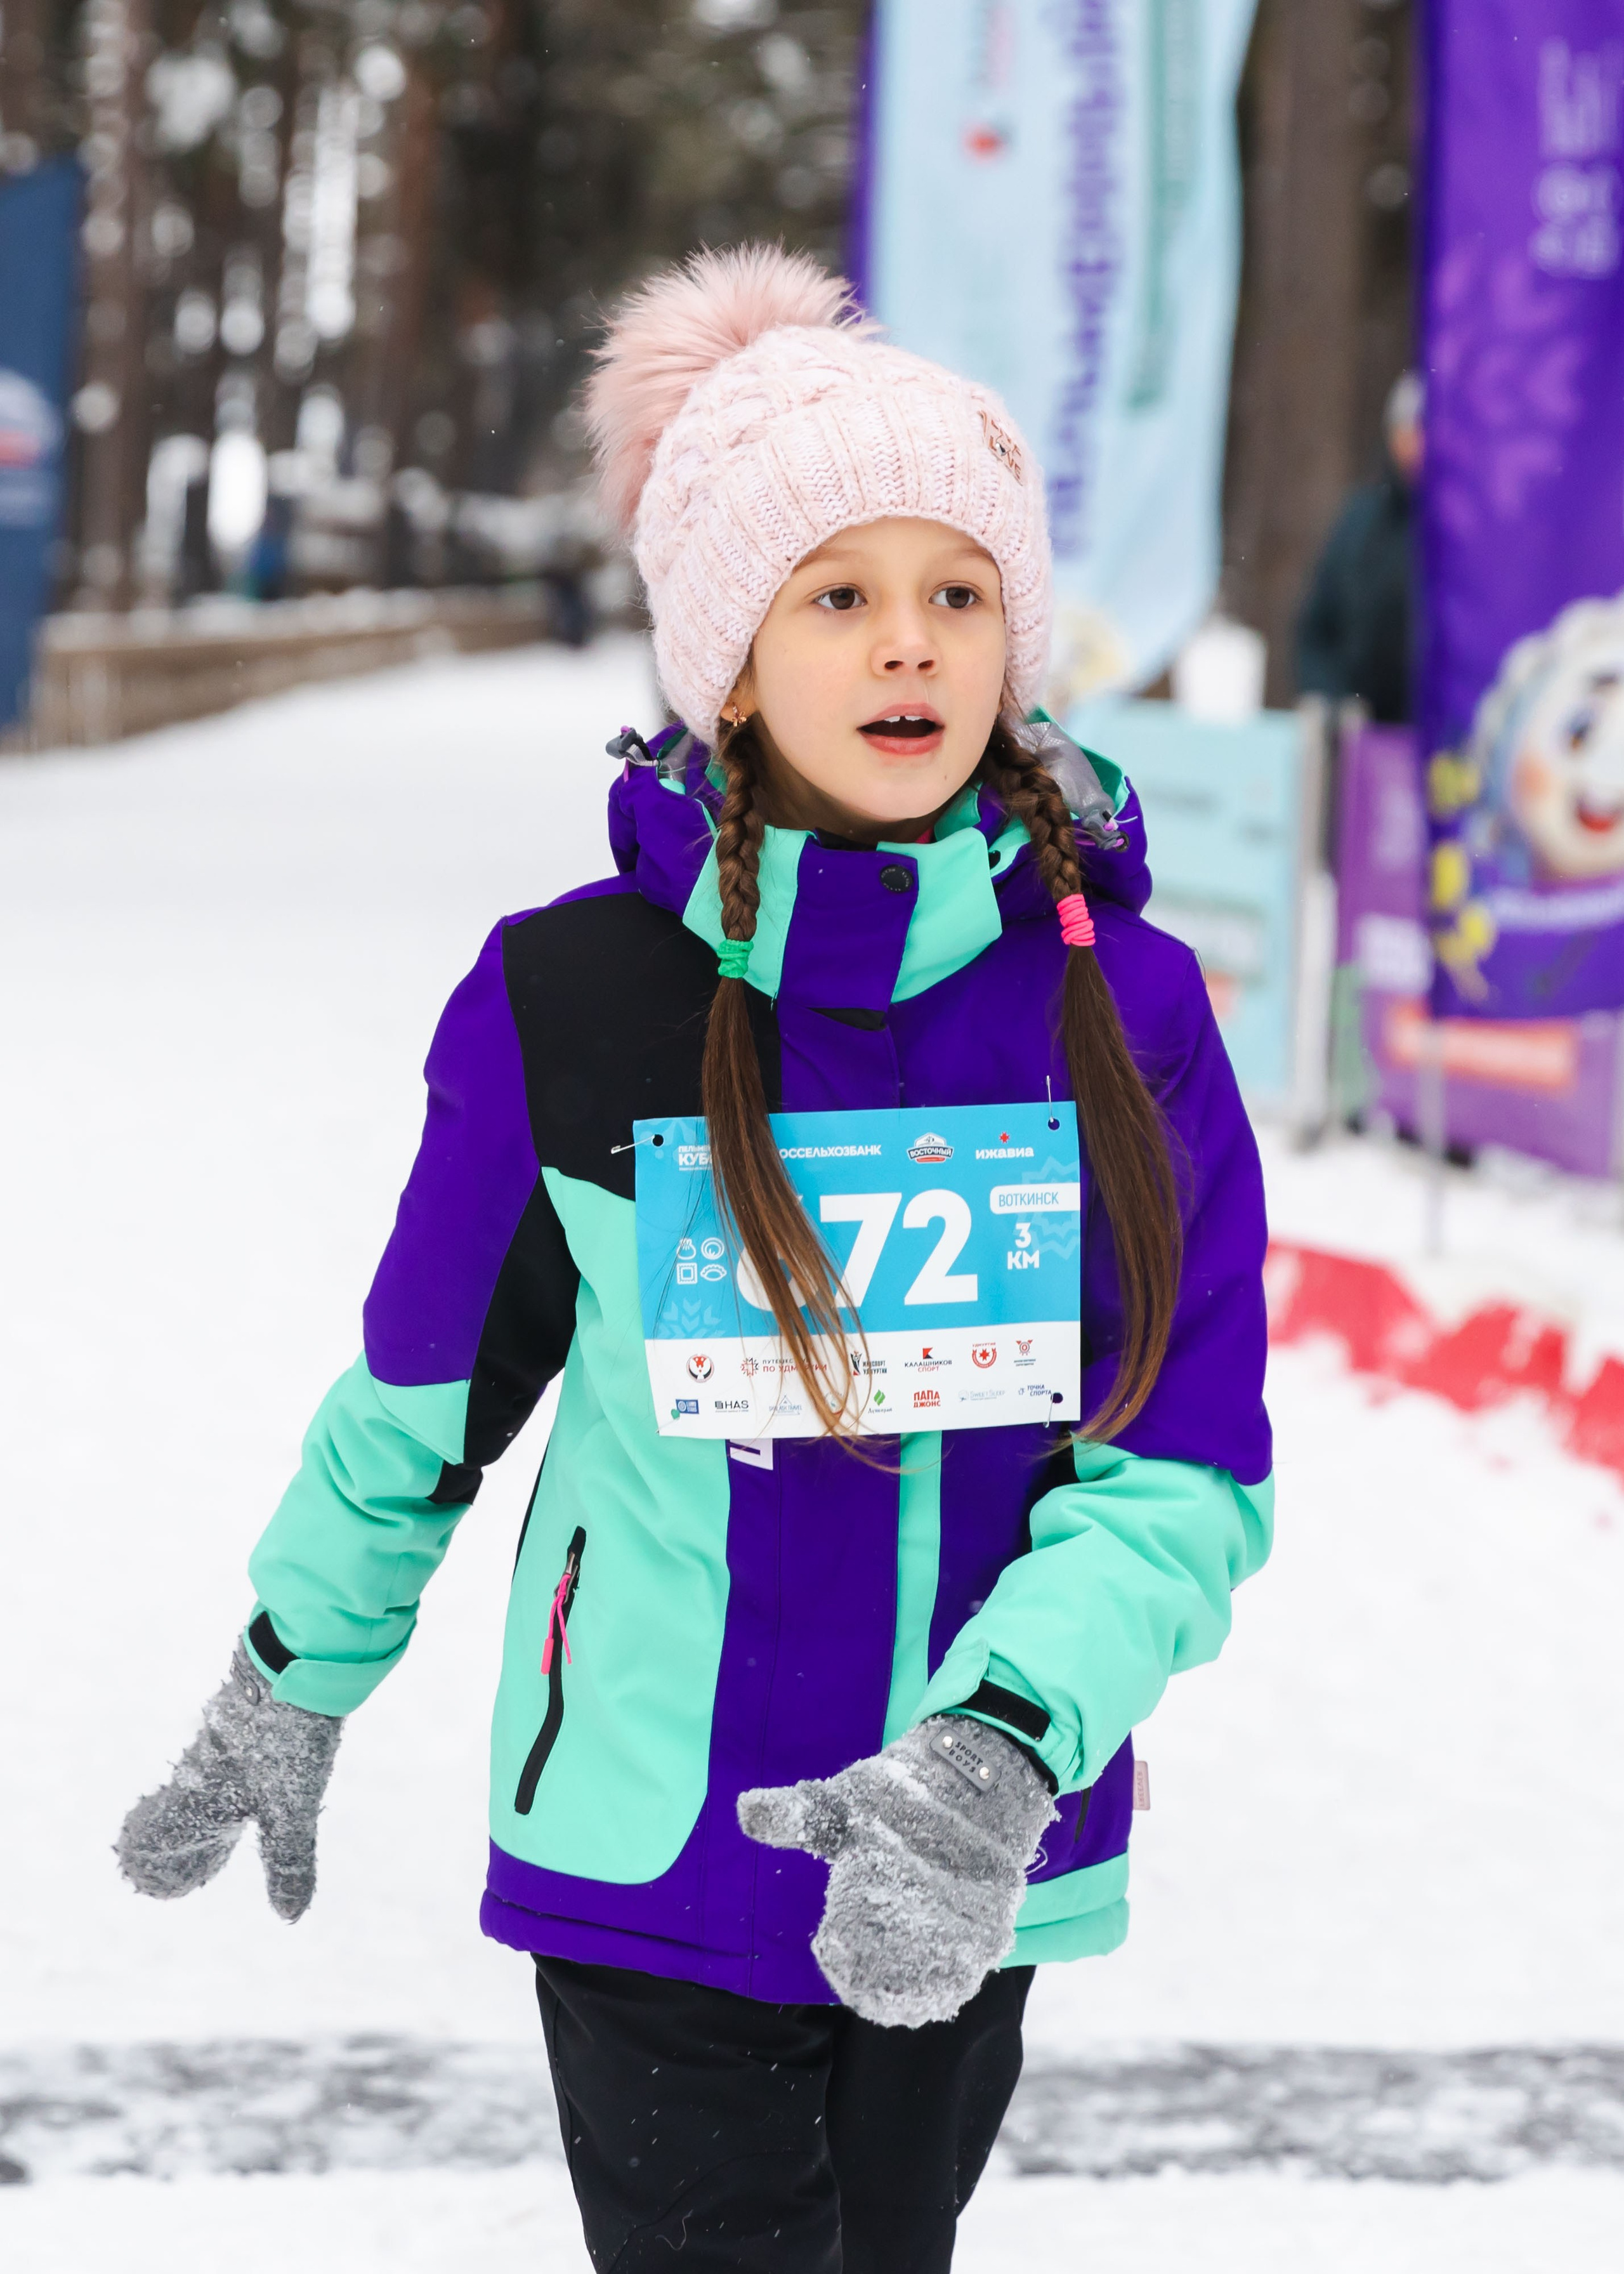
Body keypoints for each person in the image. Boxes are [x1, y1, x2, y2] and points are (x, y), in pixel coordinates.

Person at [116, 246, 1273, 2272]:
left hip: (967, 1857)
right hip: (649, 1847)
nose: (907, 646)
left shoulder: (1118, 1006)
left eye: (957, 591)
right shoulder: (572, 1002)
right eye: (839, 595)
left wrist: (994, 1750)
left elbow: (1179, 1465)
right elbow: (424, 1396)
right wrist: (290, 1672)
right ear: (726, 656)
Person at [1295, 369, 1424, 723]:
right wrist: (1330, 696)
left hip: (1437, 736)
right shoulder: (1361, 521)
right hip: (1361, 733)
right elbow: (1317, 628)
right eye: (1409, 431)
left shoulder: (1462, 530)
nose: (1417, 445)